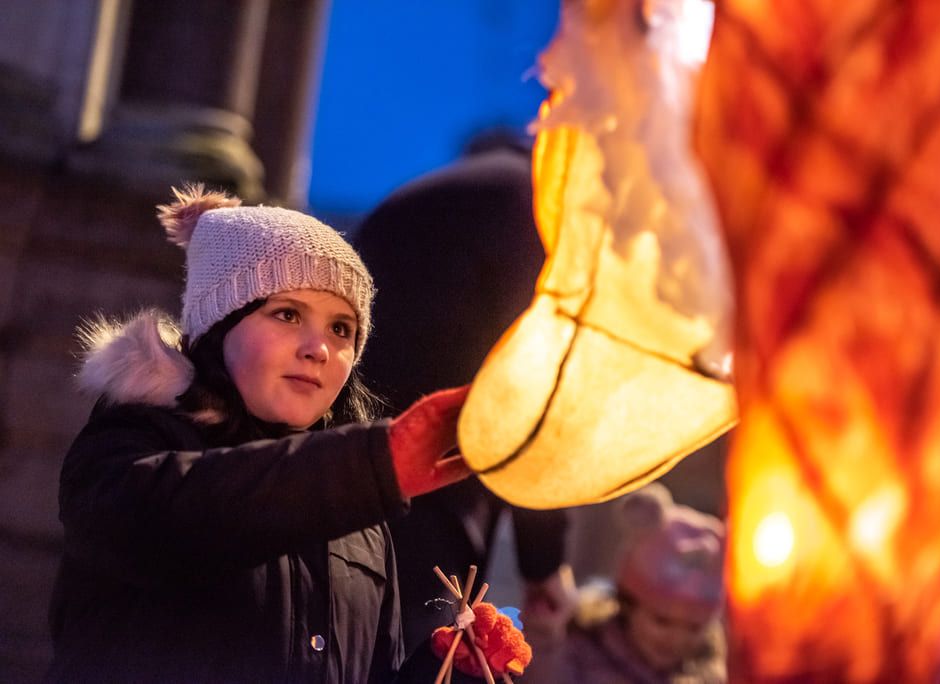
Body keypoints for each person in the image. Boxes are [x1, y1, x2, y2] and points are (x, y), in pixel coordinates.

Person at [46, 185, 471, 683]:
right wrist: (368, 467)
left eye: (342, 329)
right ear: (217, 323)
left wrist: (446, 668)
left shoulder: (361, 513)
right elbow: (166, 520)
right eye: (287, 314)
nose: (319, 349)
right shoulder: (134, 441)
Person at [353, 133, 572, 653]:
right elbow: (534, 394)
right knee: (413, 656)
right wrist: (543, 561)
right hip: (425, 485)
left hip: (342, 458)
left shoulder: (457, 191)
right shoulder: (541, 209)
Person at [520, 483, 726, 684]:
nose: (677, 638)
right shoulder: (576, 652)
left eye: (694, 627)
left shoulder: (710, 674)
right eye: (661, 621)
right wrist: (544, 636)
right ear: (628, 604)